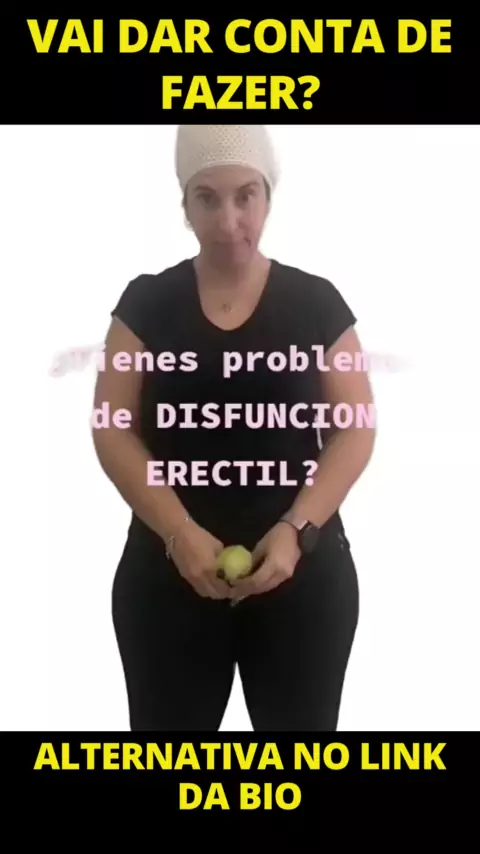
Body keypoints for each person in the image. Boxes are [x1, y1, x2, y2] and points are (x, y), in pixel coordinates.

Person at [92, 124, 376, 731]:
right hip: (164, 578)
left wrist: (296, 530)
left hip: (303, 578)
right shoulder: (144, 305)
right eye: (207, 198)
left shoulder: (318, 303)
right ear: (184, 202)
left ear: (269, 195)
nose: (228, 221)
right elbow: (113, 428)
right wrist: (178, 533)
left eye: (246, 195)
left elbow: (355, 429)